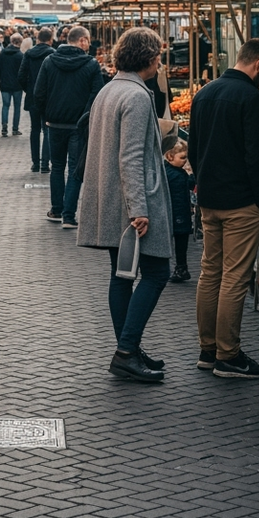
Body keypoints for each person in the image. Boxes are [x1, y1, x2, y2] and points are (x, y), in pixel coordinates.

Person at [77, 27, 172, 383]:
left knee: (121, 275)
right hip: (130, 202)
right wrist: (139, 208)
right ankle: (126, 350)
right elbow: (131, 155)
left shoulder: (108, 90)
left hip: (108, 199)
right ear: (147, 59)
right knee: (157, 273)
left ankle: (128, 348)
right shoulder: (136, 95)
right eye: (159, 57)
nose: (161, 63)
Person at [188, 37, 259, 379]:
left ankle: (207, 349)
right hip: (241, 201)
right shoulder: (253, 99)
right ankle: (228, 355)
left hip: (209, 199)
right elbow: (257, 158)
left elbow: (193, 149)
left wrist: (203, 183)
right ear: (258, 64)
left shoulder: (204, 93)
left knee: (210, 272)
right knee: (235, 276)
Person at [33, 25, 104, 228]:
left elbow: (39, 92)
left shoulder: (49, 61)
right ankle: (69, 215)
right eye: (88, 40)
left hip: (54, 124)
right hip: (78, 126)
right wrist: (86, 117)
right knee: (75, 169)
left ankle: (56, 209)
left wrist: (46, 115)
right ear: (81, 41)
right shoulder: (91, 64)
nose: (89, 44)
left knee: (57, 167)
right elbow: (97, 94)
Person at [19, 28, 55, 173]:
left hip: (33, 97)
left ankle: (35, 163)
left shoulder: (29, 53)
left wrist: (29, 89)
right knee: (47, 130)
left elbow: (21, 75)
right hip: (48, 98)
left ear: (37, 39)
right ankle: (45, 164)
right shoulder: (53, 54)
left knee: (34, 130)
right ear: (50, 39)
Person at [165, 139, 194, 283]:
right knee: (181, 244)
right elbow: (189, 185)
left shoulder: (166, 171)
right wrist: (191, 175)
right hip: (180, 214)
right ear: (170, 157)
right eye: (182, 158)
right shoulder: (178, 175)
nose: (185, 161)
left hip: (173, 213)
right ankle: (181, 267)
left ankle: (177, 268)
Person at [0, 34, 25, 137]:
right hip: (17, 86)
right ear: (20, 42)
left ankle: (4, 127)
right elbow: (23, 72)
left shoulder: (3, 54)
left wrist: (0, 79)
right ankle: (15, 129)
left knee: (5, 106)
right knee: (17, 107)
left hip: (5, 84)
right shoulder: (20, 55)